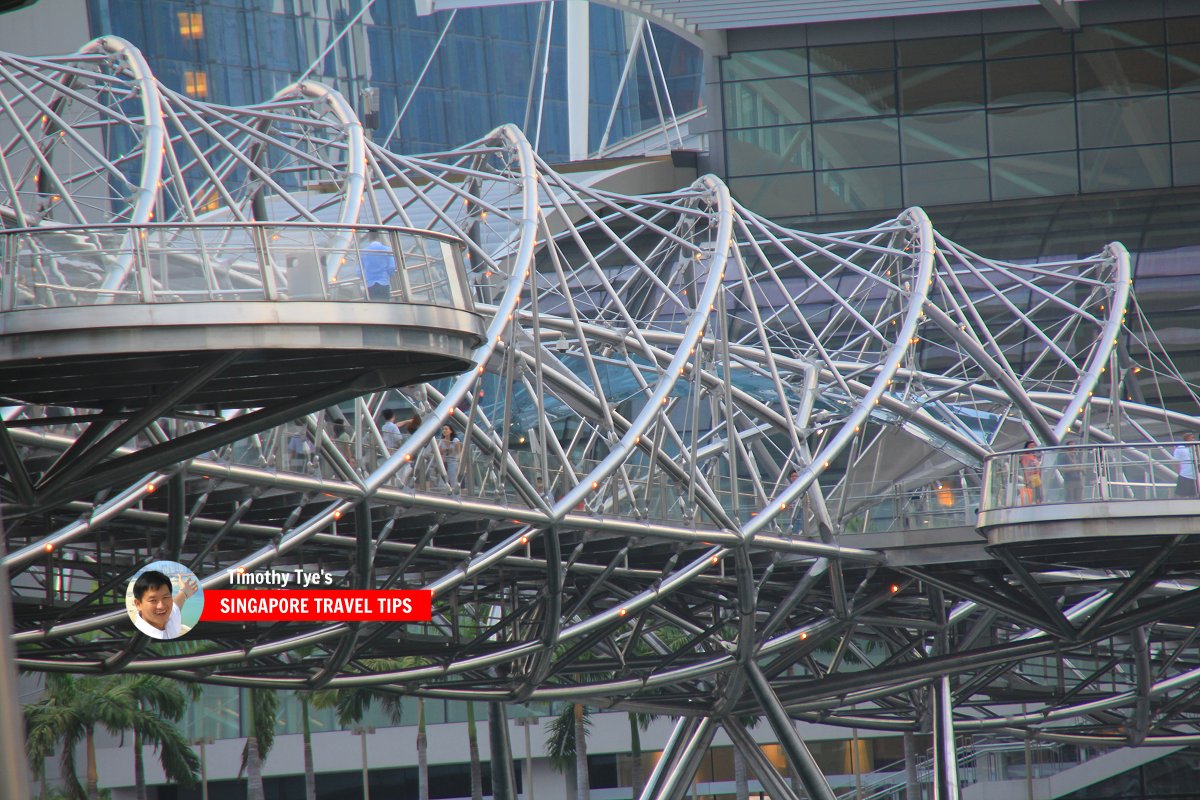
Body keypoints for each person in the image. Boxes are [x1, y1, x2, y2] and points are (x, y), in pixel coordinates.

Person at [131, 570, 197, 639]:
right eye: (153, 600)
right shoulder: (141, 637)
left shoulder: (170, 616)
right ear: (138, 604)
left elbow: (176, 605)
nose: (161, 606)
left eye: (165, 597)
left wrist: (184, 592)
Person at [361, 231, 396, 300]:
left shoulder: (364, 251)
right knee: (384, 307)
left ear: (369, 238)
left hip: (369, 285)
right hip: (383, 283)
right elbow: (392, 267)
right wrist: (389, 274)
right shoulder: (387, 249)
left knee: (371, 308)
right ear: (379, 237)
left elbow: (358, 272)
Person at [1173, 432, 1198, 497]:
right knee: (1182, 494)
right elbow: (1176, 461)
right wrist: (1178, 472)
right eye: (1192, 438)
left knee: (1193, 494)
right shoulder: (1180, 448)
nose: (1193, 439)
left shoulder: (1194, 447)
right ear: (1187, 439)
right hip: (1185, 474)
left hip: (1195, 475)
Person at [437, 424, 461, 492]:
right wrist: (445, 450)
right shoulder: (441, 441)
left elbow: (459, 452)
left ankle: (455, 495)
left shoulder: (455, 440)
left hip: (453, 461)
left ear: (451, 431)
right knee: (443, 479)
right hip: (444, 462)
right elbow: (438, 451)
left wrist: (460, 462)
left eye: (446, 429)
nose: (444, 430)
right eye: (443, 429)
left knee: (453, 478)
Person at [1019, 440, 1043, 504]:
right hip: (1031, 478)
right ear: (1027, 447)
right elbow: (1025, 468)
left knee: (1038, 494)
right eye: (1031, 446)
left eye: (1034, 446)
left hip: (1036, 477)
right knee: (1033, 494)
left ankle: (1038, 503)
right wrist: (1027, 480)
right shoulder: (1025, 456)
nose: (1033, 447)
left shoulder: (1034, 456)